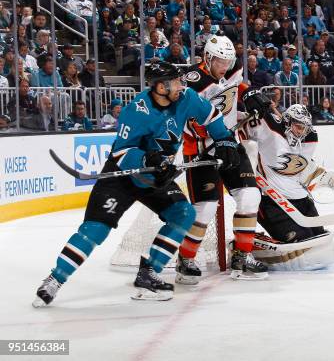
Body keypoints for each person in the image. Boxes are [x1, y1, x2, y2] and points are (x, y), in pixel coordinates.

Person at [33, 62, 239, 307]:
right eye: (175, 81)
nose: (181, 85)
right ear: (161, 87)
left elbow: (212, 116)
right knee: (94, 230)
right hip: (123, 174)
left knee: (183, 214)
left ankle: (148, 273)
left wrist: (224, 140)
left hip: (155, 177)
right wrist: (148, 158)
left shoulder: (186, 98)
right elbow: (122, 153)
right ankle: (55, 279)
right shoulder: (136, 110)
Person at [181, 35, 270, 282]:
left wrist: (250, 93)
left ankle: (242, 255)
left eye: (228, 61)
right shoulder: (193, 81)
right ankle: (185, 258)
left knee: (251, 196)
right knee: (206, 208)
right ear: (207, 58)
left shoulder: (228, 71)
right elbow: (189, 122)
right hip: (201, 150)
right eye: (220, 61)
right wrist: (216, 138)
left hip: (231, 145)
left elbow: (235, 85)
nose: (225, 66)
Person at [238, 103, 334, 270]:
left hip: (302, 202)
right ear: (287, 122)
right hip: (271, 202)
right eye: (298, 127)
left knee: (319, 240)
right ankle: (244, 246)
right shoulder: (268, 127)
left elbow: (299, 169)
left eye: (304, 128)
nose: (302, 132)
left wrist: (316, 176)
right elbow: (241, 123)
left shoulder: (310, 137)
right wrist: (247, 108)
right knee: (301, 243)